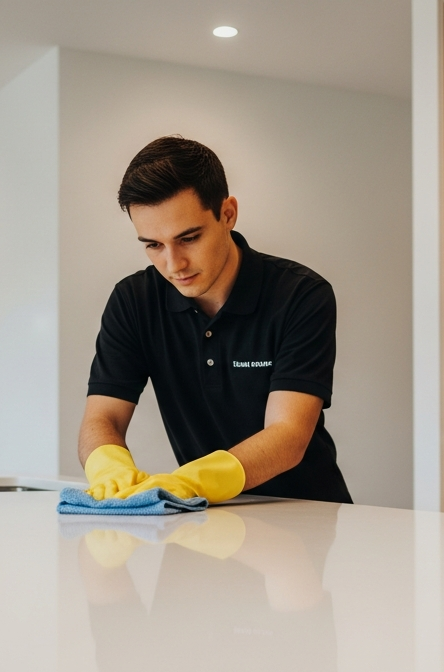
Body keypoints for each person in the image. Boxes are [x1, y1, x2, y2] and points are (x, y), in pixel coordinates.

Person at [78, 136, 352, 504]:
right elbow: (103, 417)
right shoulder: (134, 301)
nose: (173, 265)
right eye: (153, 245)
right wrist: (107, 466)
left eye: (188, 238)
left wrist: (190, 482)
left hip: (305, 514)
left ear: (227, 213)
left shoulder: (300, 295)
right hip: (204, 517)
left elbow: (288, 435)